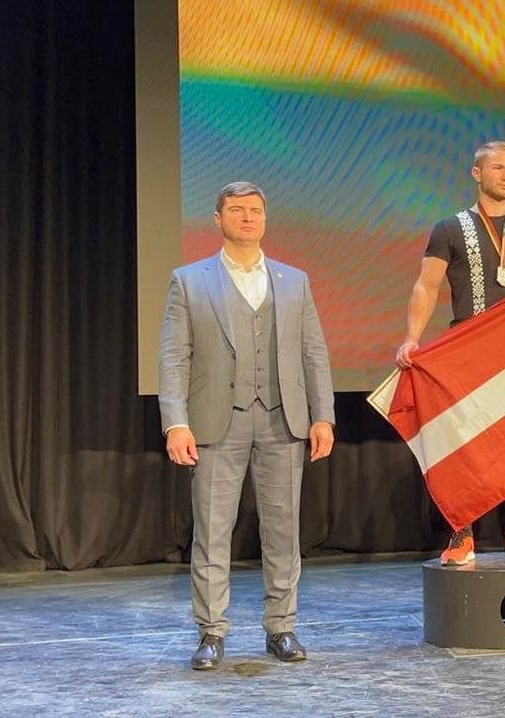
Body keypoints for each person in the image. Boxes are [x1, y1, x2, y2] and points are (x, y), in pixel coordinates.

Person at [159, 181, 335, 670]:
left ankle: (281, 627)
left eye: (255, 210)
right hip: (217, 423)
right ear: (218, 218)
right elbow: (174, 357)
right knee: (213, 531)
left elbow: (313, 352)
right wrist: (176, 423)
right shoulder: (189, 281)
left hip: (283, 421)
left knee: (283, 530)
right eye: (237, 210)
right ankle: (211, 632)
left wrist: (323, 415)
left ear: (265, 218)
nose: (248, 217)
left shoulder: (294, 280)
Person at [395, 141, 505, 566]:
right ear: (477, 174)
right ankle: (462, 534)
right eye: (497, 168)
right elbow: (427, 286)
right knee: (466, 443)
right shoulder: (449, 229)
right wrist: (411, 338)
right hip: (469, 351)